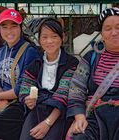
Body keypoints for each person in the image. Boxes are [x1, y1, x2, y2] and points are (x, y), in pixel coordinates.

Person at [0, 8, 40, 140]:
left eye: (13, 26)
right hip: (3, 100)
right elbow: (0, 83)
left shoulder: (30, 52)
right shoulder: (1, 52)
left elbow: (20, 90)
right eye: (4, 27)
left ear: (20, 28)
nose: (9, 31)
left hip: (21, 102)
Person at [18, 17, 79, 140]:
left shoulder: (71, 63)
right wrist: (27, 99)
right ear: (39, 40)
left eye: (54, 36)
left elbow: (64, 94)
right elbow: (25, 87)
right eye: (44, 37)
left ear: (63, 37)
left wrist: (47, 123)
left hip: (60, 112)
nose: (49, 41)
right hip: (38, 108)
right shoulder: (36, 62)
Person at [66, 7, 119, 140]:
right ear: (101, 33)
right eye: (108, 28)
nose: (114, 32)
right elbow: (76, 88)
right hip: (95, 116)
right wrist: (79, 116)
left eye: (118, 27)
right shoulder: (91, 58)